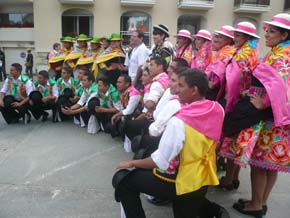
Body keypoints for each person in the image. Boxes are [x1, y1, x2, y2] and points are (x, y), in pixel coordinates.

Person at [113, 69, 229, 218]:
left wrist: (132, 163)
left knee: (125, 181)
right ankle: (213, 211)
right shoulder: (218, 109)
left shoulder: (179, 121)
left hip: (181, 181)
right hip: (204, 176)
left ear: (194, 90)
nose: (175, 90)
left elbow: (159, 161)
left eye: (180, 85)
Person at [229, 13, 290, 218]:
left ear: (284, 35)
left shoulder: (282, 55)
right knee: (270, 163)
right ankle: (260, 201)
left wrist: (261, 102)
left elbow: (282, 84)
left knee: (259, 162)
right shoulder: (280, 51)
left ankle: (256, 205)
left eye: (272, 31)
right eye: (267, 30)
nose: (267, 34)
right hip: (278, 116)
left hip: (270, 116)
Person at [217, 21, 261, 191]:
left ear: (247, 37)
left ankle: (229, 180)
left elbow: (236, 82)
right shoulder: (248, 52)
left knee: (231, 142)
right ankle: (232, 178)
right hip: (241, 102)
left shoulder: (243, 55)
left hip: (237, 102)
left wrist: (230, 99)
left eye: (238, 35)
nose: (235, 38)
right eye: (234, 34)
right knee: (235, 142)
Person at [205, 25, 235, 101]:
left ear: (229, 40)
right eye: (217, 37)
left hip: (219, 91)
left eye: (220, 37)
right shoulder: (222, 51)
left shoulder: (228, 52)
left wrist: (213, 82)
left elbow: (220, 72)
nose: (216, 40)